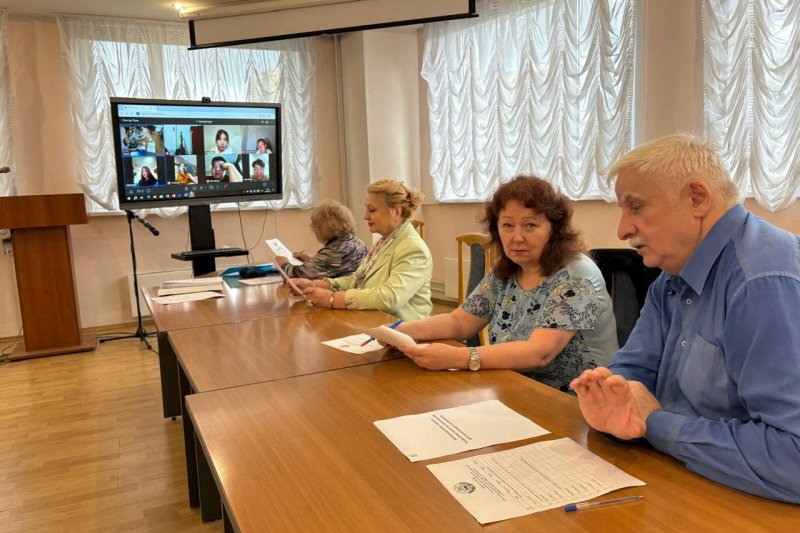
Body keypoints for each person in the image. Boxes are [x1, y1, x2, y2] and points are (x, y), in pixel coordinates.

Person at [570, 134, 800, 503]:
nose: (622, 230)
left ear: (696, 198)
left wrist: (655, 423)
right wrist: (614, 396)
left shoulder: (761, 282)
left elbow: (792, 458)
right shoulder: (671, 276)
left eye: (635, 207)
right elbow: (634, 368)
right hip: (681, 480)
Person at [391, 176, 617, 392]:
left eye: (530, 225)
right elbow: (459, 322)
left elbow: (540, 353)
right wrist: (402, 331)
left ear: (554, 230)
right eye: (507, 225)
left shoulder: (577, 277)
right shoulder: (507, 270)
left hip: (576, 400)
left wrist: (460, 357)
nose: (517, 237)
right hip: (514, 385)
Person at [293, 179, 432, 321]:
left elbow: (390, 298)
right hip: (375, 323)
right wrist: (315, 284)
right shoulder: (384, 241)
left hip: (401, 330)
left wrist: (332, 299)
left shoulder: (413, 249)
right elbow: (357, 279)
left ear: (396, 211)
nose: (365, 216)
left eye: (372, 210)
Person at [277, 200, 369, 279]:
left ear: (322, 227)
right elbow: (334, 266)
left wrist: (283, 263)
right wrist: (311, 259)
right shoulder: (358, 243)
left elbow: (297, 276)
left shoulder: (335, 251)